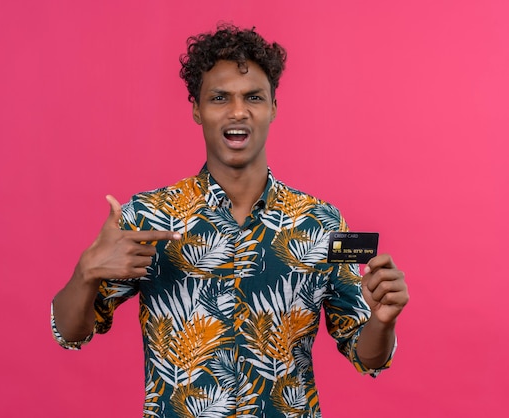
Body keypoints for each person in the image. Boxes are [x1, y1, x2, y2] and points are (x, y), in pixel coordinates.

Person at [51, 24, 409, 418]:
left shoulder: (322, 223)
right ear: (197, 109)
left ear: (273, 107)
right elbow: (71, 333)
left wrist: (382, 320)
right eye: (220, 98)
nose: (238, 111)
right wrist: (85, 272)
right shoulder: (148, 217)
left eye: (253, 97)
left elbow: (367, 355)